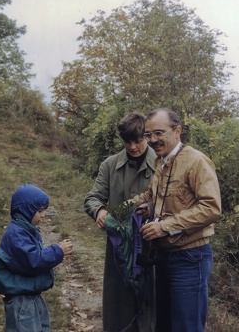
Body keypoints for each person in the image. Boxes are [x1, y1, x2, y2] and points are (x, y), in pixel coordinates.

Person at [130, 108, 222, 332]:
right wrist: (121, 209)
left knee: (185, 326)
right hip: (163, 256)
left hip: (190, 258)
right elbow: (152, 197)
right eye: (148, 135)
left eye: (159, 133)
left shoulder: (197, 162)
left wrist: (165, 227)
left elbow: (211, 208)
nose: (153, 140)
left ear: (177, 131)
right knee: (164, 323)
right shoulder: (160, 163)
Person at [84, 112, 156, 332]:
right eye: (128, 142)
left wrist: (150, 210)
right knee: (119, 309)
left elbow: (176, 202)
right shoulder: (110, 165)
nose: (133, 147)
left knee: (152, 308)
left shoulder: (164, 164)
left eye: (138, 140)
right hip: (119, 251)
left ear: (147, 137)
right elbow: (92, 197)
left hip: (153, 248)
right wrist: (100, 211)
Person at [0, 184, 74, 332]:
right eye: (40, 211)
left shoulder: (25, 230)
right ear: (26, 210)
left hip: (31, 294)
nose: (43, 215)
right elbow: (33, 261)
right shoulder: (16, 234)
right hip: (21, 299)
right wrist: (58, 251)